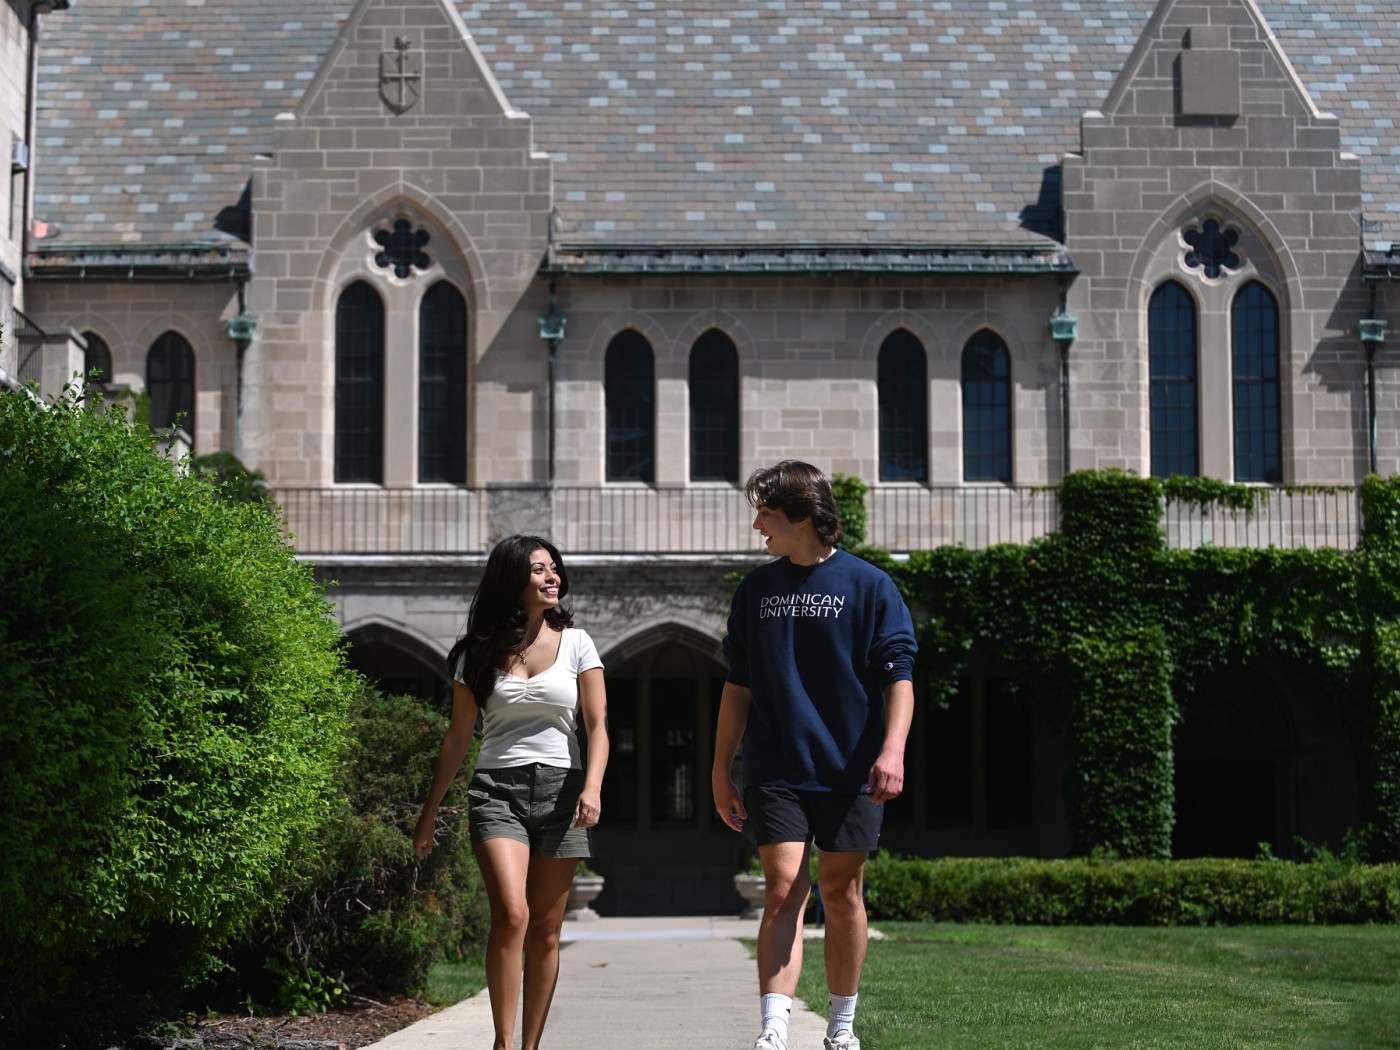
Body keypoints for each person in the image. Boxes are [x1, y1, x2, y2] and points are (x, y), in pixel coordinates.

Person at [712, 461, 916, 1050]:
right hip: (776, 766)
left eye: (767, 515)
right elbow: (737, 686)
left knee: (843, 891)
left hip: (852, 767)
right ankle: (775, 1026)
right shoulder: (755, 590)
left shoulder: (871, 586)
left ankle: (841, 1024)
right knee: (781, 887)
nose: (756, 526)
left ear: (801, 518)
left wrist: (893, 750)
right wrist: (720, 770)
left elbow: (899, 677)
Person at [413, 534, 609, 1050]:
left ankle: (530, 1045)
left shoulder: (579, 643)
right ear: (512, 580)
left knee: (545, 930)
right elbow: (458, 738)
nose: (552, 578)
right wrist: (429, 811)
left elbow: (599, 724)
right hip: (496, 789)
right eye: (539, 570)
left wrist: (592, 786)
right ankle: (503, 1043)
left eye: (554, 569)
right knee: (512, 913)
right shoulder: (477, 653)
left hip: (564, 791)